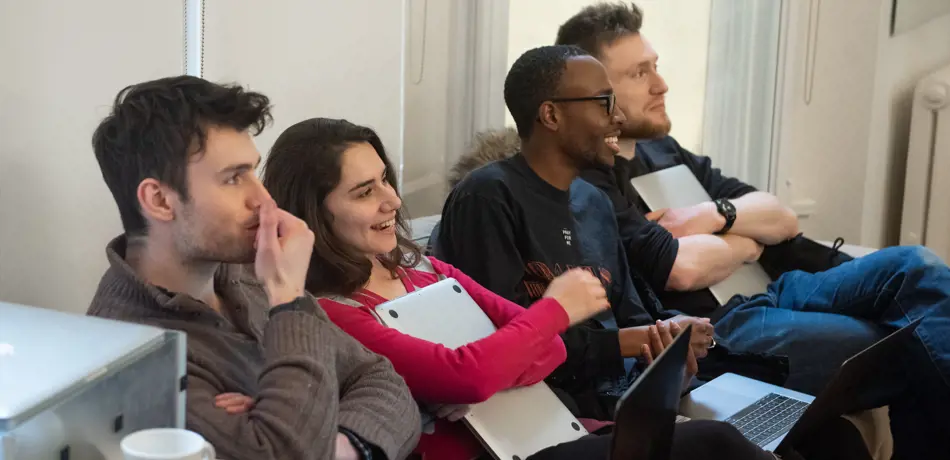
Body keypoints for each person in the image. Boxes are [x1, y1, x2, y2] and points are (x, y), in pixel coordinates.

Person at [435, 42, 950, 458]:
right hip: (570, 411)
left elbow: (642, 317)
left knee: (834, 432)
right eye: (602, 102)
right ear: (549, 114)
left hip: (641, 397)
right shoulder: (488, 196)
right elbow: (517, 342)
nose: (616, 117)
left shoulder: (593, 200)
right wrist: (639, 344)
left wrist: (675, 346)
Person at [257, 116, 778, 460]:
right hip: (501, 454)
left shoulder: (426, 271)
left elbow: (544, 352)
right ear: (314, 212)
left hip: (543, 433)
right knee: (713, 443)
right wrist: (549, 313)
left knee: (753, 440)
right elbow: (471, 374)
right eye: (364, 192)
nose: (391, 201)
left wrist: (497, 362)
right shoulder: (331, 310)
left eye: (385, 180)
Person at [86, 76, 421, 460]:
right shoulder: (132, 357)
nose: (264, 200)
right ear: (160, 200)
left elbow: (380, 380)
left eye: (253, 173)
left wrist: (337, 445)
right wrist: (289, 303)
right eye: (233, 178)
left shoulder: (245, 274)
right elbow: (287, 454)